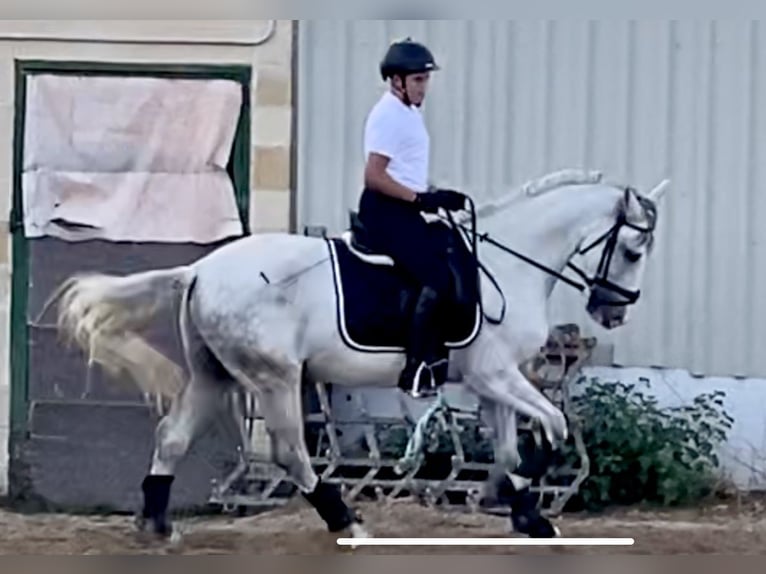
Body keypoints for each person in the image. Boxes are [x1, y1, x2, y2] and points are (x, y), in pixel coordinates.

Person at [356, 38, 470, 398]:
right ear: (396, 81)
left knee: (450, 255)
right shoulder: (389, 115)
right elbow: (374, 176)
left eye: (425, 79)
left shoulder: (408, 113)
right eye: (417, 80)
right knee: (435, 275)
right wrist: (421, 198)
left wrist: (435, 195)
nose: (424, 87)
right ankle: (416, 366)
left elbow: (405, 170)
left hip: (404, 207)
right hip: (387, 212)